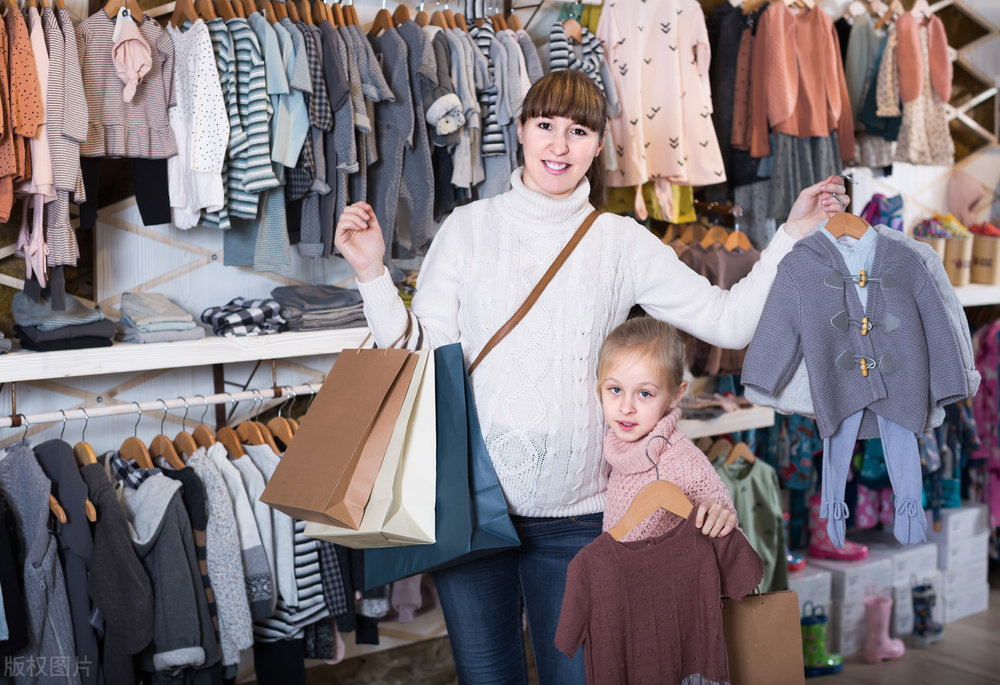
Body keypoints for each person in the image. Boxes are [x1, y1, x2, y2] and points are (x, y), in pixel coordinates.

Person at [334, 69, 848, 684]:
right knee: (486, 678)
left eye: (577, 131)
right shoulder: (468, 231)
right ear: (520, 131)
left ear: (599, 145)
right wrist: (371, 273)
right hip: (470, 507)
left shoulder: (619, 242)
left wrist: (791, 235)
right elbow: (419, 350)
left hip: (581, 518)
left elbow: (728, 321)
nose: (558, 145)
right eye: (545, 126)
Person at [598, 317, 739, 544]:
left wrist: (718, 513)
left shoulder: (679, 459)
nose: (626, 408)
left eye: (644, 393)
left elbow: (721, 512)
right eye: (615, 389)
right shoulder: (612, 442)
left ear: (675, 395)